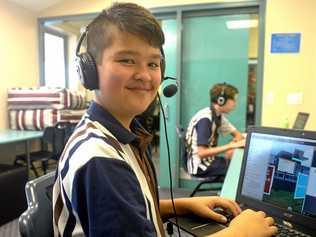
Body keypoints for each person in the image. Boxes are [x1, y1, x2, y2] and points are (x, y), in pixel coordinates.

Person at [52, 3, 277, 237]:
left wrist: (179, 205)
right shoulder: (101, 160)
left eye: (153, 63)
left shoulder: (125, 135)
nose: (145, 75)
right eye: (127, 60)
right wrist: (241, 234)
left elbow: (127, 211)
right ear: (89, 71)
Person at [185, 83, 246, 178]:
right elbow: (202, 153)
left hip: (209, 161)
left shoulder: (218, 116)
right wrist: (231, 145)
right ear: (221, 100)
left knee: (237, 165)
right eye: (233, 100)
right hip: (200, 166)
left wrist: (234, 144)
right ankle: (228, 192)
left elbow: (239, 136)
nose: (235, 104)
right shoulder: (205, 119)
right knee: (239, 170)